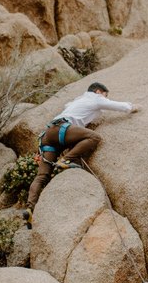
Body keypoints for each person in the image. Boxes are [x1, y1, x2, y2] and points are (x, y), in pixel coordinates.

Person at [25, 81, 139, 215]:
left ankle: (30, 208)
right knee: (94, 137)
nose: (105, 98)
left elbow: (72, 108)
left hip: (49, 135)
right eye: (105, 95)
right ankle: (66, 160)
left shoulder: (77, 100)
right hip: (63, 129)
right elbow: (113, 105)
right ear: (97, 92)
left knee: (42, 176)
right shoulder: (95, 98)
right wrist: (131, 107)